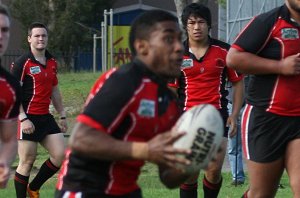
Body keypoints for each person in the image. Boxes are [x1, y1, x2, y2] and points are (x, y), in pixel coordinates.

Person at [55, 10, 194, 198]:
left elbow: (168, 177)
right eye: (169, 39)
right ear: (142, 47)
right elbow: (80, 139)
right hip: (85, 189)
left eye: (180, 39)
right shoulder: (124, 80)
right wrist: (144, 150)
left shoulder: (169, 102)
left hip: (127, 192)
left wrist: (194, 159)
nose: (179, 47)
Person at [169, 3, 244, 198]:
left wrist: (234, 115)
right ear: (185, 26)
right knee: (189, 173)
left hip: (218, 116)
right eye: (192, 22)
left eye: (201, 22)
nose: (196, 27)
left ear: (209, 25)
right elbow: (170, 91)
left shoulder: (225, 51)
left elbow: (238, 84)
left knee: (213, 170)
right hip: (187, 117)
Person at [226, 0, 300, 197]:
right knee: (262, 193)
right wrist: (280, 66)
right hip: (266, 118)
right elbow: (233, 58)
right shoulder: (268, 21)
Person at [11, 22, 68, 198]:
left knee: (60, 155)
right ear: (29, 39)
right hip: (26, 117)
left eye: (43, 35)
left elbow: (54, 91)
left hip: (45, 117)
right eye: (36, 36)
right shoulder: (23, 63)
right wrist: (22, 118)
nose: (41, 39)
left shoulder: (52, 61)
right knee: (27, 160)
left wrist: (63, 115)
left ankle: (33, 188)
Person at [0, 4, 21, 189]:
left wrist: (5, 163)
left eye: (4, 30)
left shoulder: (11, 87)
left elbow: (8, 139)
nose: (0, 36)